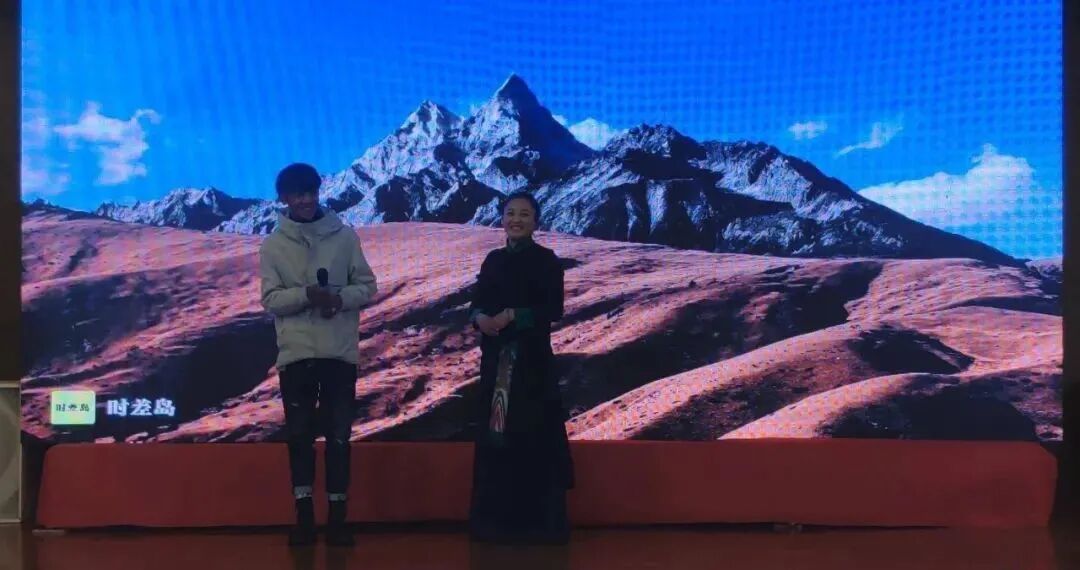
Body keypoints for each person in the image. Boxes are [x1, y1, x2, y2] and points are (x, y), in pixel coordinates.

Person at [259, 163, 378, 547]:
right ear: (284, 198)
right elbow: (270, 299)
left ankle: (338, 520)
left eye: (311, 192)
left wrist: (339, 299)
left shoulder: (344, 237)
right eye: (298, 194)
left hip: (339, 353)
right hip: (296, 355)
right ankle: (305, 519)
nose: (306, 200)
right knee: (300, 438)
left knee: (339, 437)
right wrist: (306, 296)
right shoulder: (273, 245)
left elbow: (368, 286)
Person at [467, 191, 574, 545]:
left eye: (524, 214)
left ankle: (539, 525)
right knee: (496, 437)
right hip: (496, 364)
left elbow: (553, 309)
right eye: (510, 213)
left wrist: (514, 315)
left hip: (532, 367)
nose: (516, 220)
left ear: (535, 221)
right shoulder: (493, 260)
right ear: (502, 219)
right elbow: (477, 303)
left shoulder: (546, 261)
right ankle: (496, 523)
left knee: (535, 437)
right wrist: (480, 318)